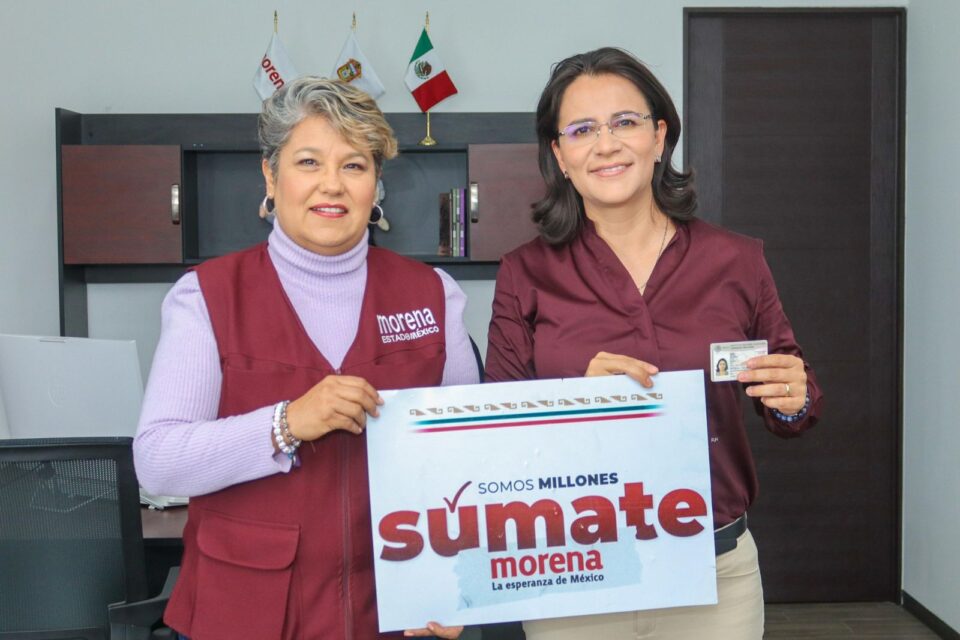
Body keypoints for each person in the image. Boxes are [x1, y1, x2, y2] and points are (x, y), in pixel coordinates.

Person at [485, 48, 823, 639]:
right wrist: (575, 401)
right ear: (560, 156)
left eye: (625, 122)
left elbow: (792, 399)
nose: (606, 144)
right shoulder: (524, 273)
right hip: (573, 568)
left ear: (660, 136)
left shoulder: (736, 260)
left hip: (715, 575)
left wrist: (794, 398)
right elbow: (495, 431)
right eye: (582, 130)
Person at [134, 77, 470, 640]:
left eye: (354, 165)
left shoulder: (434, 294)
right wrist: (284, 424)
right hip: (244, 613)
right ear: (271, 176)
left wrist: (458, 585)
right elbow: (158, 460)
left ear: (376, 183)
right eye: (308, 162)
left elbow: (467, 458)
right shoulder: (206, 296)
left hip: (391, 611)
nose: (331, 184)